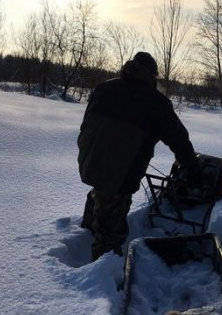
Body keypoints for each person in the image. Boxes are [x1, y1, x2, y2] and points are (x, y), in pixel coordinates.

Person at [77, 52, 199, 261]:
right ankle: (101, 281)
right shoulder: (155, 102)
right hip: (120, 174)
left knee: (101, 193)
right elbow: (178, 138)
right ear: (152, 75)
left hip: (90, 161)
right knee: (110, 233)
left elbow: (86, 124)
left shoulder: (104, 88)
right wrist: (192, 166)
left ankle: (85, 234)